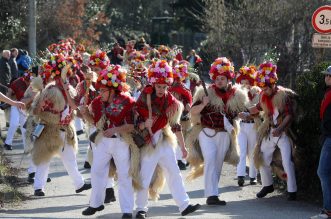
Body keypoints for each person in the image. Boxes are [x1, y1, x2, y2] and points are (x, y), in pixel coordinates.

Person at [135, 60, 200, 219]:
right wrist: (144, 123)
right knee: (145, 174)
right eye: (159, 86)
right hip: (148, 140)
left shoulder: (171, 100)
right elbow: (134, 117)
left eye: (165, 87)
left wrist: (183, 148)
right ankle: (140, 209)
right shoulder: (145, 96)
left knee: (174, 172)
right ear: (153, 83)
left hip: (164, 138)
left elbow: (175, 124)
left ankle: (184, 205)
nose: (162, 90)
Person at [80, 65, 137, 218]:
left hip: (121, 141)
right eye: (99, 90)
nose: (100, 93)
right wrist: (85, 114)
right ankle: (95, 204)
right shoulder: (98, 102)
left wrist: (115, 129)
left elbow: (132, 126)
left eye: (103, 90)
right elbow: (94, 121)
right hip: (103, 141)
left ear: (113, 90)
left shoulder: (126, 101)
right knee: (96, 171)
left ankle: (127, 210)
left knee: (124, 175)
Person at [188, 57, 247, 205]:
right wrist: (203, 104)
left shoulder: (237, 95)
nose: (219, 81)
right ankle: (211, 195)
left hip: (224, 133)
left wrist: (242, 115)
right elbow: (192, 111)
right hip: (206, 132)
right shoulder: (205, 92)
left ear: (228, 79)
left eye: (222, 78)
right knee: (210, 158)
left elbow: (239, 113)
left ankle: (213, 194)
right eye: (217, 78)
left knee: (218, 163)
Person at [30, 55, 91, 197]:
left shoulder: (69, 89)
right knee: (44, 158)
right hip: (50, 130)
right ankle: (38, 187)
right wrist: (39, 104)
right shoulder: (50, 91)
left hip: (65, 130)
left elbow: (74, 106)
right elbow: (36, 111)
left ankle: (79, 184)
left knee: (70, 159)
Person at [240, 62, 297, 201]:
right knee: (262, 158)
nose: (263, 91)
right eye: (262, 89)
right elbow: (257, 108)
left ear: (272, 84)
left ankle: (292, 191)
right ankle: (267, 185)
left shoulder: (284, 95)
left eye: (265, 88)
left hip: (283, 133)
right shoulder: (264, 96)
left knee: (287, 161)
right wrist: (246, 113)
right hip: (270, 131)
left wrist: (280, 128)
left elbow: (289, 115)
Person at [311, 66, 331, 219]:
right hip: (327, 137)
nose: (326, 78)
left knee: (323, 172)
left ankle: (328, 210)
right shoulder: (328, 93)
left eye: (328, 76)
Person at [236, 65, 261, 186]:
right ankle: (240, 175)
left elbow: (260, 112)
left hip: (253, 126)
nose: (245, 85)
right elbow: (234, 109)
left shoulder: (257, 94)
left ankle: (253, 176)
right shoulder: (238, 94)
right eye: (242, 82)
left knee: (252, 152)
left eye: (247, 82)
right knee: (242, 151)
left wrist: (248, 115)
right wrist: (238, 114)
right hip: (241, 126)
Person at [168, 61, 193, 170]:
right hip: (171, 116)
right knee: (175, 138)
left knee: (183, 138)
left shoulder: (184, 88)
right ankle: (178, 160)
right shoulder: (167, 88)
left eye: (178, 78)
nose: (176, 80)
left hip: (183, 117)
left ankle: (182, 159)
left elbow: (189, 101)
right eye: (175, 78)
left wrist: (189, 108)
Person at [3, 71, 32, 150]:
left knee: (24, 127)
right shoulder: (17, 82)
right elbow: (9, 91)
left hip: (25, 107)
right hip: (15, 104)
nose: (28, 83)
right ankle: (7, 143)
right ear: (24, 79)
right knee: (14, 124)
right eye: (27, 81)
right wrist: (7, 101)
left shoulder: (33, 85)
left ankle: (27, 147)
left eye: (29, 82)